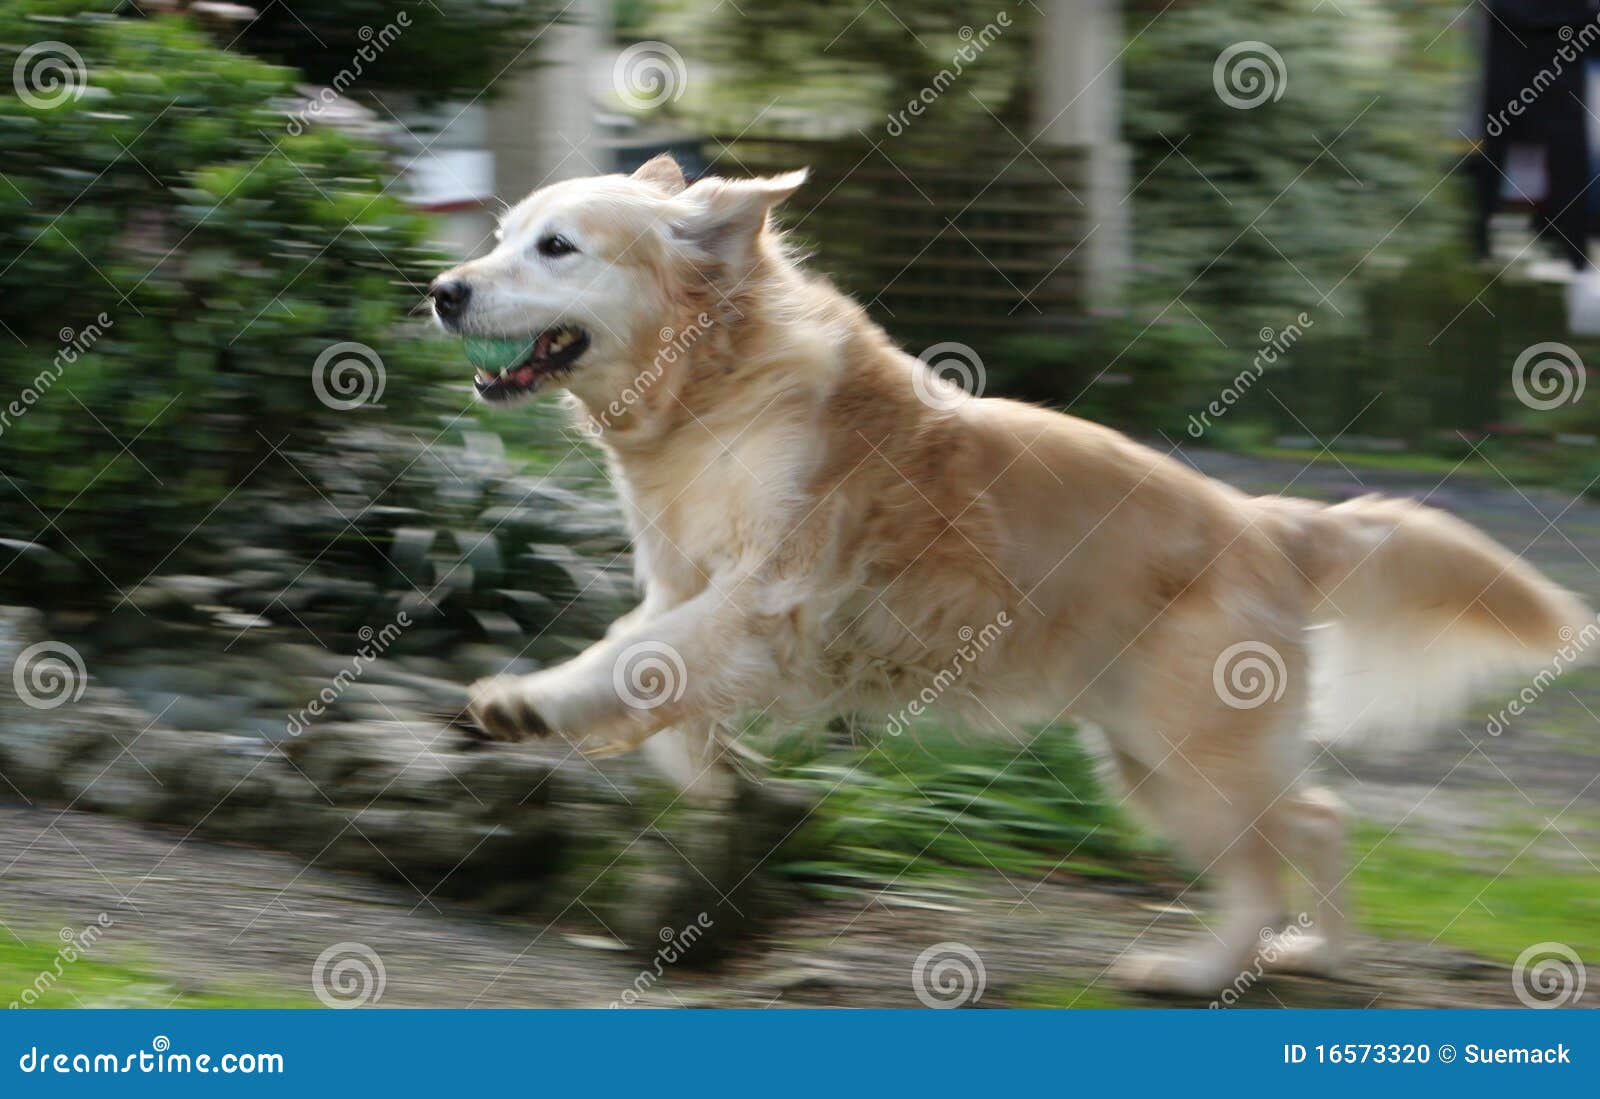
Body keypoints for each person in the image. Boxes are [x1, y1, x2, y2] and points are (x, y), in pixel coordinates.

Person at [1475, 0, 1600, 271]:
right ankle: (1571, 249)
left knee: (1501, 143)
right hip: (1559, 41)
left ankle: (1482, 244)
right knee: (1566, 153)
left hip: (1523, 41)